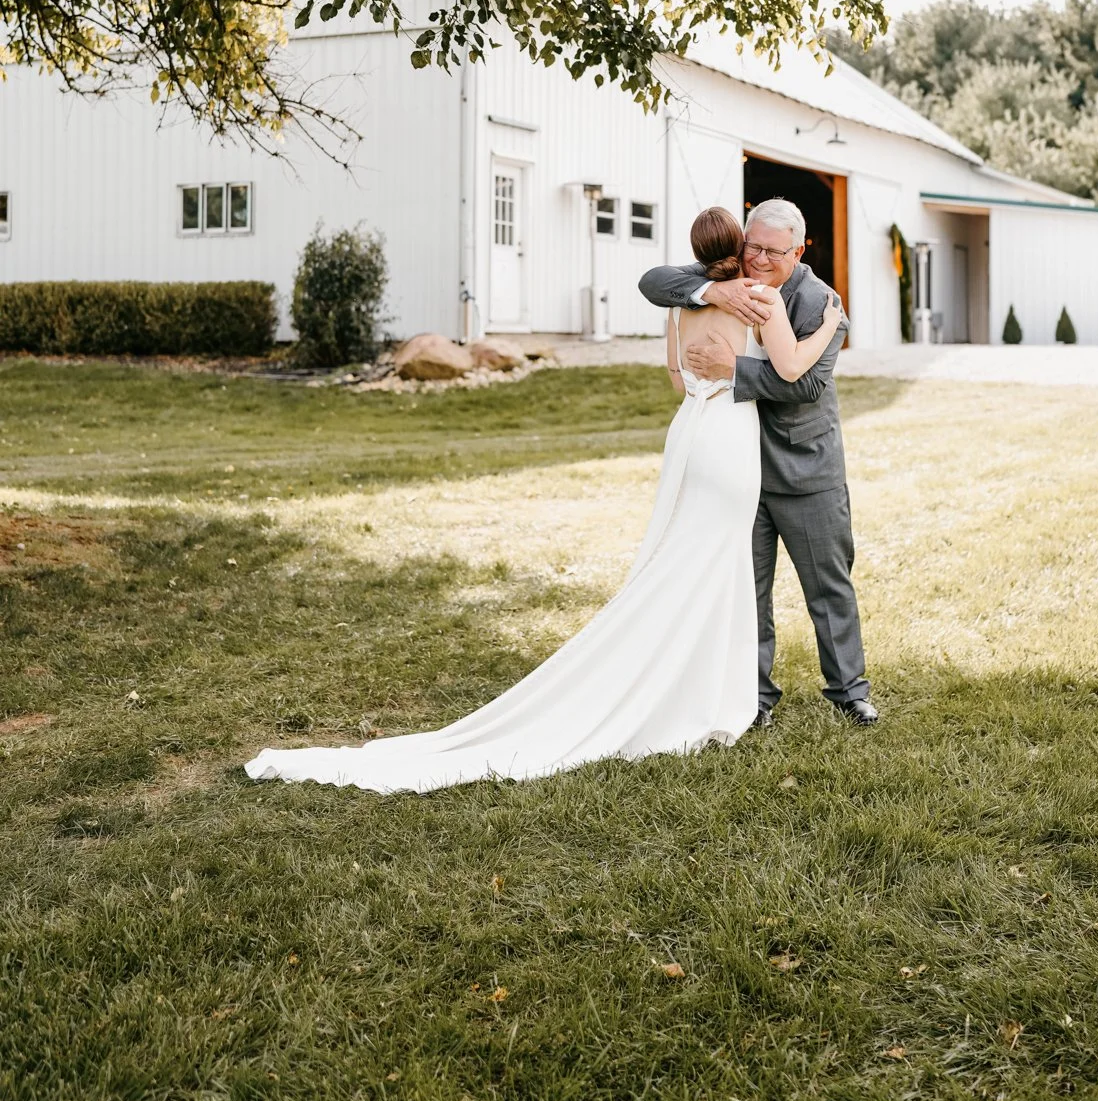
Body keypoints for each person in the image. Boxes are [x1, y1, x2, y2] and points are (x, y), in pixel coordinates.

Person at [245, 207, 843, 795]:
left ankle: (702, 687)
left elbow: (676, 380)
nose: (762, 260)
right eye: (755, 249)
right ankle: (712, 696)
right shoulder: (759, 301)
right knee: (718, 568)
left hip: (692, 433)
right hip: (733, 445)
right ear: (739, 248)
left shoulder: (686, 302)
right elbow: (791, 369)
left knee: (682, 563)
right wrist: (829, 325)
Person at [639, 197, 878, 728]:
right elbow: (654, 283)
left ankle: (848, 691)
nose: (761, 259)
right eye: (754, 246)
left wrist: (733, 368)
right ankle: (753, 697)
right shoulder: (725, 277)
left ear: (799, 249)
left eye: (774, 251)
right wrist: (710, 289)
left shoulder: (820, 301)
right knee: (747, 588)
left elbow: (809, 383)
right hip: (735, 470)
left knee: (828, 584)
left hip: (804, 468)